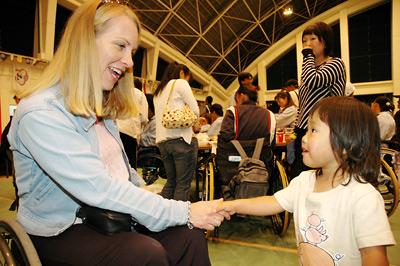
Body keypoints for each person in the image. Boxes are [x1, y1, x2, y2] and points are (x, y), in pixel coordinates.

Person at [7, 1, 227, 265]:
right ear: (85, 42)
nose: (129, 62)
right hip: (59, 231)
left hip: (108, 219)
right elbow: (99, 188)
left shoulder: (101, 111)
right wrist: (185, 210)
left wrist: (154, 201)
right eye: (121, 46)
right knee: (145, 253)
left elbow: (124, 176)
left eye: (132, 51)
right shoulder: (41, 114)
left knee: (188, 238)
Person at [218, 96, 395, 265]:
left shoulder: (363, 198)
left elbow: (375, 258)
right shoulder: (304, 182)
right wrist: (232, 205)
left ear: (346, 144)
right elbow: (273, 202)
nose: (304, 137)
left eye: (314, 130)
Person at [291, 21, 346, 179]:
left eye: (312, 39)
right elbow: (303, 105)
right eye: (304, 41)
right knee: (301, 173)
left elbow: (312, 80)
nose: (307, 44)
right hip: (304, 129)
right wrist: (295, 132)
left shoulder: (335, 64)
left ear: (325, 41)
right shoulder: (310, 68)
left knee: (318, 171)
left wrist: (307, 55)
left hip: (325, 128)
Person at [154, 62, 200, 201]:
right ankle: (179, 222)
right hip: (181, 140)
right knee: (183, 185)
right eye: (187, 77)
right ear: (181, 73)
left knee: (171, 182)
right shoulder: (180, 83)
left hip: (163, 142)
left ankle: (160, 217)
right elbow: (196, 110)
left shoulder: (159, 90)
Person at [116, 78, 148, 168]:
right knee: (130, 163)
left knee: (117, 161)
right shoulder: (140, 95)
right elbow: (144, 118)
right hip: (130, 132)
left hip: (116, 130)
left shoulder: (120, 92)